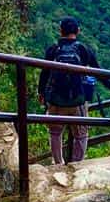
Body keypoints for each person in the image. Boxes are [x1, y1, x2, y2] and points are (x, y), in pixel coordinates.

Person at [38, 17, 100, 165]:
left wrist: (41, 93)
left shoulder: (53, 49)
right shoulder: (83, 49)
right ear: (77, 31)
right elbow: (99, 71)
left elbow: (44, 73)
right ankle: (76, 165)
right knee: (81, 134)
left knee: (55, 132)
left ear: (61, 31)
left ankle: (58, 163)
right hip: (77, 100)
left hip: (56, 100)